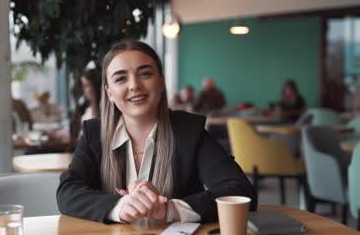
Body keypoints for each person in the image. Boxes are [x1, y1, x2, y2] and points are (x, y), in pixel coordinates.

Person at [56, 41, 256, 224]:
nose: (134, 85)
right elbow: (68, 192)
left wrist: (170, 210)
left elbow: (241, 191)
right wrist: (121, 206)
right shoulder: (94, 134)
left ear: (161, 83)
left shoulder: (189, 131)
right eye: (121, 79)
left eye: (145, 74)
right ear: (109, 93)